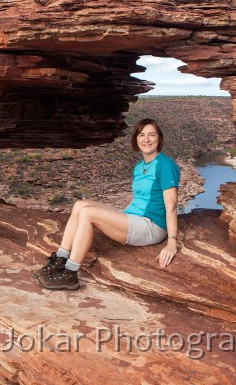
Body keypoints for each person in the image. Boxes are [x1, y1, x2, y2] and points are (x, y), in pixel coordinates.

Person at [34, 118, 180, 291]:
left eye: (151, 135)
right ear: (136, 139)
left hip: (151, 226)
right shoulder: (140, 167)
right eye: (141, 135)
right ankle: (60, 260)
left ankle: (70, 274)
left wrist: (172, 242)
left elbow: (171, 206)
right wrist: (119, 218)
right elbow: (140, 199)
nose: (146, 140)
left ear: (159, 138)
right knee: (80, 205)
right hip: (133, 218)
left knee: (88, 213)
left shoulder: (165, 165)